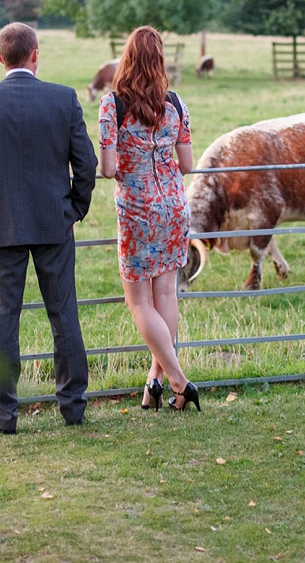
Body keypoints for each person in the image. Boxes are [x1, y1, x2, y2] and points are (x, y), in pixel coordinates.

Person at [0, 22, 98, 431]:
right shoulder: (63, 99)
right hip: (55, 221)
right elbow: (85, 165)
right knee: (64, 314)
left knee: (4, 320)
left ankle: (3, 414)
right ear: (35, 55)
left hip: (0, 225)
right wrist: (75, 209)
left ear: (1, 58)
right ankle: (73, 407)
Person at [98, 26, 200, 412]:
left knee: (139, 302)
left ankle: (178, 380)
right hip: (174, 205)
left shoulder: (113, 105)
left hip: (138, 210)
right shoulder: (175, 103)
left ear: (126, 59)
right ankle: (154, 384)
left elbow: (108, 168)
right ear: (159, 61)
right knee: (167, 295)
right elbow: (187, 163)